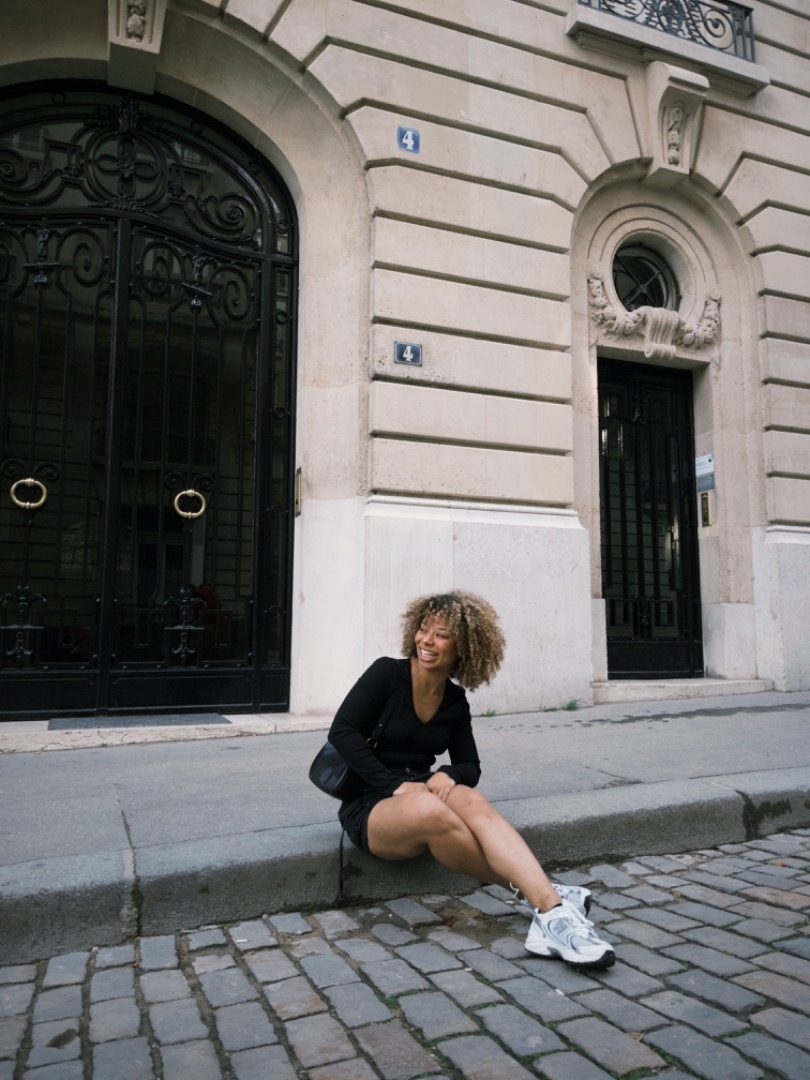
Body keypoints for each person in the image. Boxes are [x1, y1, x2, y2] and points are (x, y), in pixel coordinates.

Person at [328, 590, 615, 969]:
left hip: (422, 791)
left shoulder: (454, 700)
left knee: (472, 800)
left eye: (441, 634)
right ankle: (544, 896)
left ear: (463, 646)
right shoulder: (387, 674)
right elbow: (342, 730)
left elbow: (470, 766)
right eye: (423, 629)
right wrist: (393, 785)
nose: (426, 640)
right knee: (432, 810)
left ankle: (551, 913)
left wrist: (448, 773)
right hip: (371, 802)